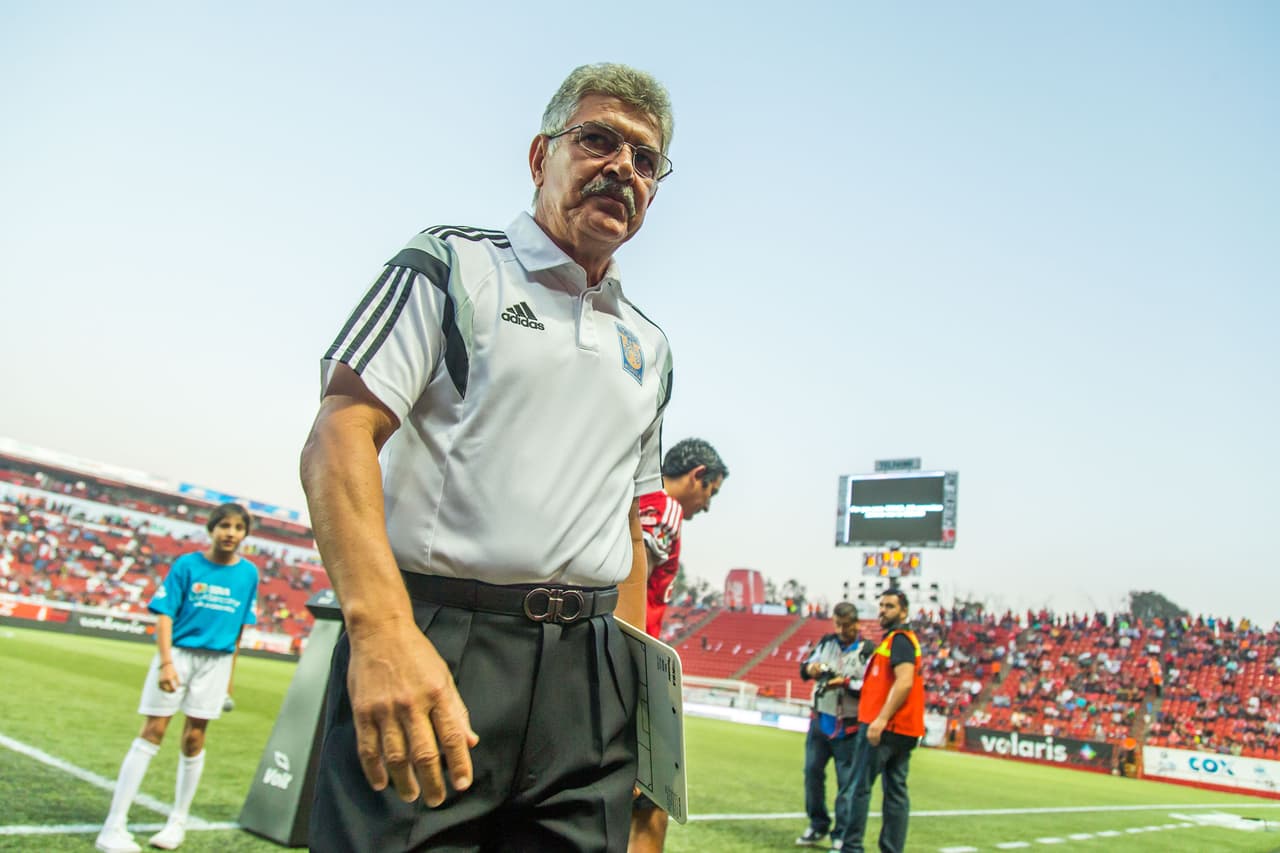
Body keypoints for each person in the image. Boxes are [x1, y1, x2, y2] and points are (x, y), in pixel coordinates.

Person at [301, 62, 677, 852]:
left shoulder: (652, 343)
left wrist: (645, 731)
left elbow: (628, 528)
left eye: (647, 159)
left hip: (592, 672)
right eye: (599, 140)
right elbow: (340, 432)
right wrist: (380, 630)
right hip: (441, 638)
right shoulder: (450, 263)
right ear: (541, 156)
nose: (624, 170)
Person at [95, 503, 259, 853]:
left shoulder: (249, 574)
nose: (231, 533)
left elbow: (239, 632)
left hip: (217, 662)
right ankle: (114, 825)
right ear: (212, 529)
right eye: (224, 526)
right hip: (179, 656)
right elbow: (165, 616)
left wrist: (229, 677)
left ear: (245, 534)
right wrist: (167, 663)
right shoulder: (187, 565)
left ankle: (177, 822)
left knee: (194, 739)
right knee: (153, 730)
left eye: (238, 528)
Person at [629, 438, 728, 853]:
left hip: (613, 652)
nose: (707, 505)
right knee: (654, 801)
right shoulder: (664, 507)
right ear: (697, 476)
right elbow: (631, 579)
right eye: (711, 492)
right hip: (630, 659)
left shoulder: (638, 496)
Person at [838, 589, 926, 853]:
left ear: (903, 611)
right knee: (896, 793)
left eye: (890, 606)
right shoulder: (898, 641)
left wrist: (881, 719)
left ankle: (851, 847)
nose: (883, 610)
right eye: (882, 605)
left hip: (885, 728)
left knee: (859, 788)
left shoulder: (899, 641)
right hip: (903, 729)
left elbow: (905, 680)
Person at [795, 602, 870, 850]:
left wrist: (845, 683)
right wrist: (812, 668)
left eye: (845, 625)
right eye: (837, 624)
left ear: (856, 623)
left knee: (846, 783)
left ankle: (841, 833)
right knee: (811, 774)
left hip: (849, 727)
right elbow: (804, 669)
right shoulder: (826, 642)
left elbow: (870, 687)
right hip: (820, 721)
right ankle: (818, 825)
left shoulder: (867, 651)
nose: (840, 629)